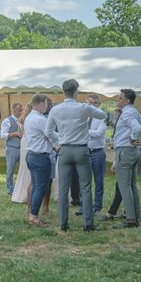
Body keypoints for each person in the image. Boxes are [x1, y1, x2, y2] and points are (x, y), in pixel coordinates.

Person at [45, 79, 107, 232]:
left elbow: (48, 131)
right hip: (81, 150)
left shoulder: (55, 109)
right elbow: (102, 115)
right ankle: (88, 224)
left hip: (64, 150)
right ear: (76, 92)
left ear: (63, 92)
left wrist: (57, 142)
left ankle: (63, 224)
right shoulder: (83, 107)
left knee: (63, 188)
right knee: (85, 187)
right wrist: (92, 108)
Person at [111, 88, 141, 229]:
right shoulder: (134, 111)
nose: (118, 100)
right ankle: (135, 215)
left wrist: (132, 138)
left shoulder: (128, 112)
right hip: (132, 151)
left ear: (127, 100)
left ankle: (131, 219)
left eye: (120, 98)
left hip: (125, 150)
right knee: (132, 185)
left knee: (125, 186)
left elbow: (136, 128)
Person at [24, 94, 57, 227]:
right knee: (41, 187)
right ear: (40, 104)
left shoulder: (29, 117)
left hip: (31, 154)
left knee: (36, 186)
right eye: (45, 104)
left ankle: (32, 213)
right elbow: (52, 135)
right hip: (40, 156)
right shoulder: (40, 119)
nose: (46, 107)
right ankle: (34, 216)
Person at [85, 94, 107, 215]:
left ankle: (97, 206)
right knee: (84, 180)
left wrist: (84, 131)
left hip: (97, 151)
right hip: (85, 152)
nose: (93, 106)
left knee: (99, 180)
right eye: (90, 103)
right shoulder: (83, 117)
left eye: (95, 103)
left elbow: (99, 133)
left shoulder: (101, 116)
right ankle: (84, 205)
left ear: (98, 104)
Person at [1, 103, 24, 196]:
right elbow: (3, 135)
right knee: (10, 170)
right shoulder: (7, 121)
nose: (21, 112)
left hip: (22, 148)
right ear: (14, 110)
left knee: (23, 170)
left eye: (22, 110)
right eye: (20, 110)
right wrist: (15, 134)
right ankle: (10, 190)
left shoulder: (23, 121)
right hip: (12, 148)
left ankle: (20, 189)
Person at [11, 104, 32, 205]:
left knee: (23, 166)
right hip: (30, 141)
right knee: (28, 167)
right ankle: (28, 194)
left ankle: (19, 193)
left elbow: (20, 133)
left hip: (23, 142)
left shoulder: (21, 119)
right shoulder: (32, 119)